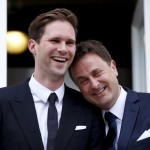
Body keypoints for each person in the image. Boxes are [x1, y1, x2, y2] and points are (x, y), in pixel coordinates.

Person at [0, 9, 103, 150]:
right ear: (32, 46)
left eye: (70, 43)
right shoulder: (3, 101)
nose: (63, 49)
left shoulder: (88, 108)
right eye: (55, 40)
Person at [69, 39, 150, 150]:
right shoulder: (82, 123)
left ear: (113, 67)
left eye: (97, 73)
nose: (94, 84)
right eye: (83, 81)